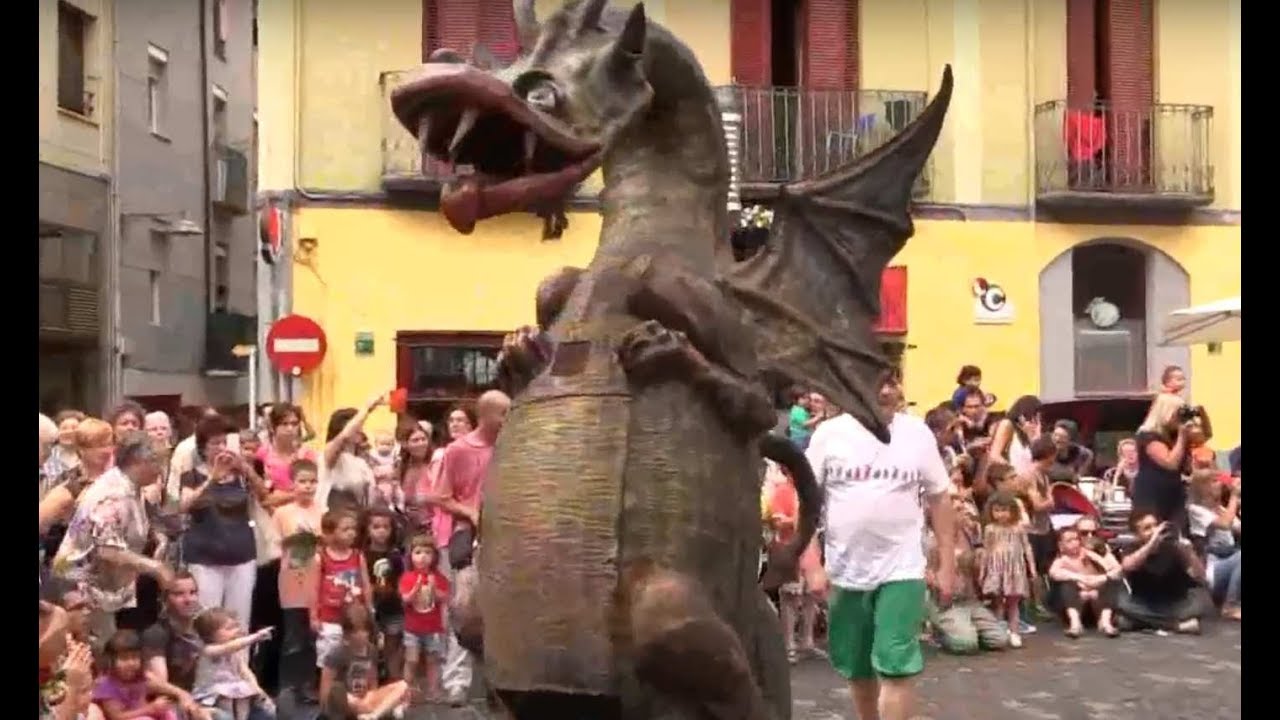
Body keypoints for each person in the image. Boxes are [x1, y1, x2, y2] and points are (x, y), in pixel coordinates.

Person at [805, 372, 955, 720]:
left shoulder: (916, 433)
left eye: (893, 381)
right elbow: (806, 504)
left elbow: (940, 499)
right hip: (846, 571)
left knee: (896, 664)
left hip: (903, 568)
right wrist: (812, 562)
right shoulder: (829, 435)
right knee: (858, 667)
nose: (887, 390)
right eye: (877, 382)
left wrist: (947, 563)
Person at [427, 389, 510, 705]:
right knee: (463, 608)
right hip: (468, 537)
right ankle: (457, 682)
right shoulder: (458, 450)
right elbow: (440, 496)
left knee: (501, 611)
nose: (507, 420)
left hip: (505, 537)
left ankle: (496, 681)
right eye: (502, 414)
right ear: (486, 415)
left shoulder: (511, 447)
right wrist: (472, 512)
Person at [52, 431, 173, 644]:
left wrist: (157, 537)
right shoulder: (113, 494)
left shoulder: (130, 486)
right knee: (97, 651)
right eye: (158, 461)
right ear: (140, 461)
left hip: (104, 587)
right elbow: (107, 549)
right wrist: (155, 567)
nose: (161, 469)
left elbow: (131, 524)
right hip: (82, 588)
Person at [179, 414, 270, 627]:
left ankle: (240, 660)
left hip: (241, 555)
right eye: (215, 443)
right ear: (203, 447)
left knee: (239, 621)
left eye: (225, 442)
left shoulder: (242, 474)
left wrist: (244, 467)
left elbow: (265, 496)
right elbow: (185, 505)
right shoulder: (192, 475)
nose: (221, 448)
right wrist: (213, 478)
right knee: (207, 621)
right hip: (205, 558)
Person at [925, 493, 1008, 655]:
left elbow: (977, 569)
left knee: (999, 639)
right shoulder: (930, 541)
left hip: (970, 600)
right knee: (966, 644)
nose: (964, 512)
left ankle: (969, 628)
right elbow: (925, 575)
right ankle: (941, 630)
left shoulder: (969, 535)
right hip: (946, 603)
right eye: (958, 510)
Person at [271, 458, 324, 701]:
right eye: (303, 481)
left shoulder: (322, 511)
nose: (308, 486)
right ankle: (288, 686)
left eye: (313, 481)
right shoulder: (282, 513)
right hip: (292, 578)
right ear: (293, 484)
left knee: (313, 635)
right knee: (293, 634)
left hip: (317, 578)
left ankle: (309, 684)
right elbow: (274, 546)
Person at [1115, 510, 1213, 634]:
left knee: (1201, 602)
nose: (1154, 530)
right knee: (1121, 604)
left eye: (1156, 525)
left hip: (1175, 604)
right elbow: (1127, 566)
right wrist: (1151, 544)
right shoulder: (1132, 548)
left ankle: (1146, 625)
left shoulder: (1174, 547)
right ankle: (1176, 627)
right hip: (1143, 604)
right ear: (1137, 534)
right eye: (1147, 528)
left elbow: (1199, 576)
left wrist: (1190, 553)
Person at [320, 605, 411, 720]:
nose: (362, 635)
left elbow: (373, 685)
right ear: (348, 633)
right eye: (356, 631)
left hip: (365, 701)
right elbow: (325, 693)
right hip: (345, 703)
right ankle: (387, 709)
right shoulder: (337, 653)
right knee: (337, 690)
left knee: (403, 686)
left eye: (364, 630)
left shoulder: (371, 650)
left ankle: (373, 715)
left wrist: (372, 699)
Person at [141, 572, 211, 718]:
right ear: (165, 599)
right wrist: (182, 694)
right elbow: (156, 682)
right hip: (170, 701)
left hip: (203, 696)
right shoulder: (156, 633)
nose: (188, 599)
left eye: (193, 593)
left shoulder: (203, 628)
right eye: (179, 594)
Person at [311, 509, 372, 671]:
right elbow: (314, 588)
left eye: (354, 529)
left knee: (356, 656)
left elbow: (365, 584)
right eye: (346, 529)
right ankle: (328, 692)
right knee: (330, 659)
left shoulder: (358, 556)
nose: (352, 533)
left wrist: (369, 610)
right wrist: (314, 617)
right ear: (330, 533)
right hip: (330, 618)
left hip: (355, 618)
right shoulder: (321, 558)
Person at [190, 609, 276, 720]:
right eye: (229, 628)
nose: (235, 631)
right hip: (213, 693)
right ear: (210, 634)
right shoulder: (209, 650)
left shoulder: (235, 653)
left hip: (234, 688)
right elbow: (229, 647)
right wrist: (256, 637)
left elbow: (244, 671)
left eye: (236, 627)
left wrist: (258, 690)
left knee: (256, 703)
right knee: (225, 702)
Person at [978, 491, 1036, 649]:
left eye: (1004, 510)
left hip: (1015, 568)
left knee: (1014, 602)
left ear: (1012, 511)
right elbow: (986, 550)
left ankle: (1015, 631)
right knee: (998, 602)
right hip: (996, 568)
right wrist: (983, 572)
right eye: (996, 510)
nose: (1000, 514)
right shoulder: (990, 529)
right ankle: (998, 632)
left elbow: (1026, 547)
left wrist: (1032, 568)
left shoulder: (1018, 528)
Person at [1132, 393, 1196, 529]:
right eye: (1177, 414)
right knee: (1157, 532)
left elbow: (1187, 466)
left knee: (1178, 532)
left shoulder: (1172, 436)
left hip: (1174, 492)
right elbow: (1170, 463)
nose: (1179, 419)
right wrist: (1182, 437)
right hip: (1152, 493)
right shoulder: (1148, 435)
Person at [399, 534, 451, 701]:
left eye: (428, 553)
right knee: (411, 660)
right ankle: (406, 690)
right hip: (412, 628)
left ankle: (433, 690)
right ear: (411, 556)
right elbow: (405, 600)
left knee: (433, 660)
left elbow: (445, 598)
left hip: (433, 627)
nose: (423, 557)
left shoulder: (439, 577)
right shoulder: (407, 577)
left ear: (435, 556)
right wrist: (415, 589)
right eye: (418, 552)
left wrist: (435, 589)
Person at [93, 630, 184, 720]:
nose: (131, 663)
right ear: (111, 661)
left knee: (168, 713)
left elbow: (162, 687)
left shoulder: (141, 678)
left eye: (135, 657)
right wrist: (150, 709)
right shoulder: (107, 686)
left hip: (145, 714)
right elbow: (116, 716)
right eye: (124, 659)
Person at [1187, 470, 1241, 621]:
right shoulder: (1195, 509)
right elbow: (1225, 524)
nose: (1221, 484)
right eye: (1215, 481)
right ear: (1202, 487)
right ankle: (1230, 605)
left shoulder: (1222, 509)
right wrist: (1234, 496)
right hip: (1213, 568)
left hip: (1229, 565)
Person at [1047, 527, 1121, 637]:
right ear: (1061, 545)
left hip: (1099, 599)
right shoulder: (1062, 560)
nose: (1074, 543)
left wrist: (1101, 578)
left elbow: (1116, 570)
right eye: (1069, 541)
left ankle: (1105, 622)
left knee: (1110, 582)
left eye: (1076, 539)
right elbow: (1053, 573)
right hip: (1077, 602)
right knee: (1066, 585)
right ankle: (1075, 624)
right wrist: (1077, 578)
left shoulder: (1091, 554)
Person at [318, 393, 386, 513]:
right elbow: (344, 436)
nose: (360, 430)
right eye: (357, 427)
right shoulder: (330, 454)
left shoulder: (361, 461)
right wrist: (367, 409)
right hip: (334, 517)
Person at [365, 508, 406, 679]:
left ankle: (393, 680)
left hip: (393, 606)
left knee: (393, 645)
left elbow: (403, 579)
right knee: (369, 646)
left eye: (385, 527)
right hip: (371, 606)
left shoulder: (396, 555)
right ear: (367, 529)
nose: (381, 531)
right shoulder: (362, 555)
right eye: (376, 527)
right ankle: (372, 682)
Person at [989, 395, 1042, 475]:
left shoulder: (1029, 431)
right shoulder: (1007, 425)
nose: (1035, 419)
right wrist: (1012, 471)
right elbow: (995, 455)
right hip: (1010, 478)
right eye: (1034, 414)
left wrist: (1034, 436)